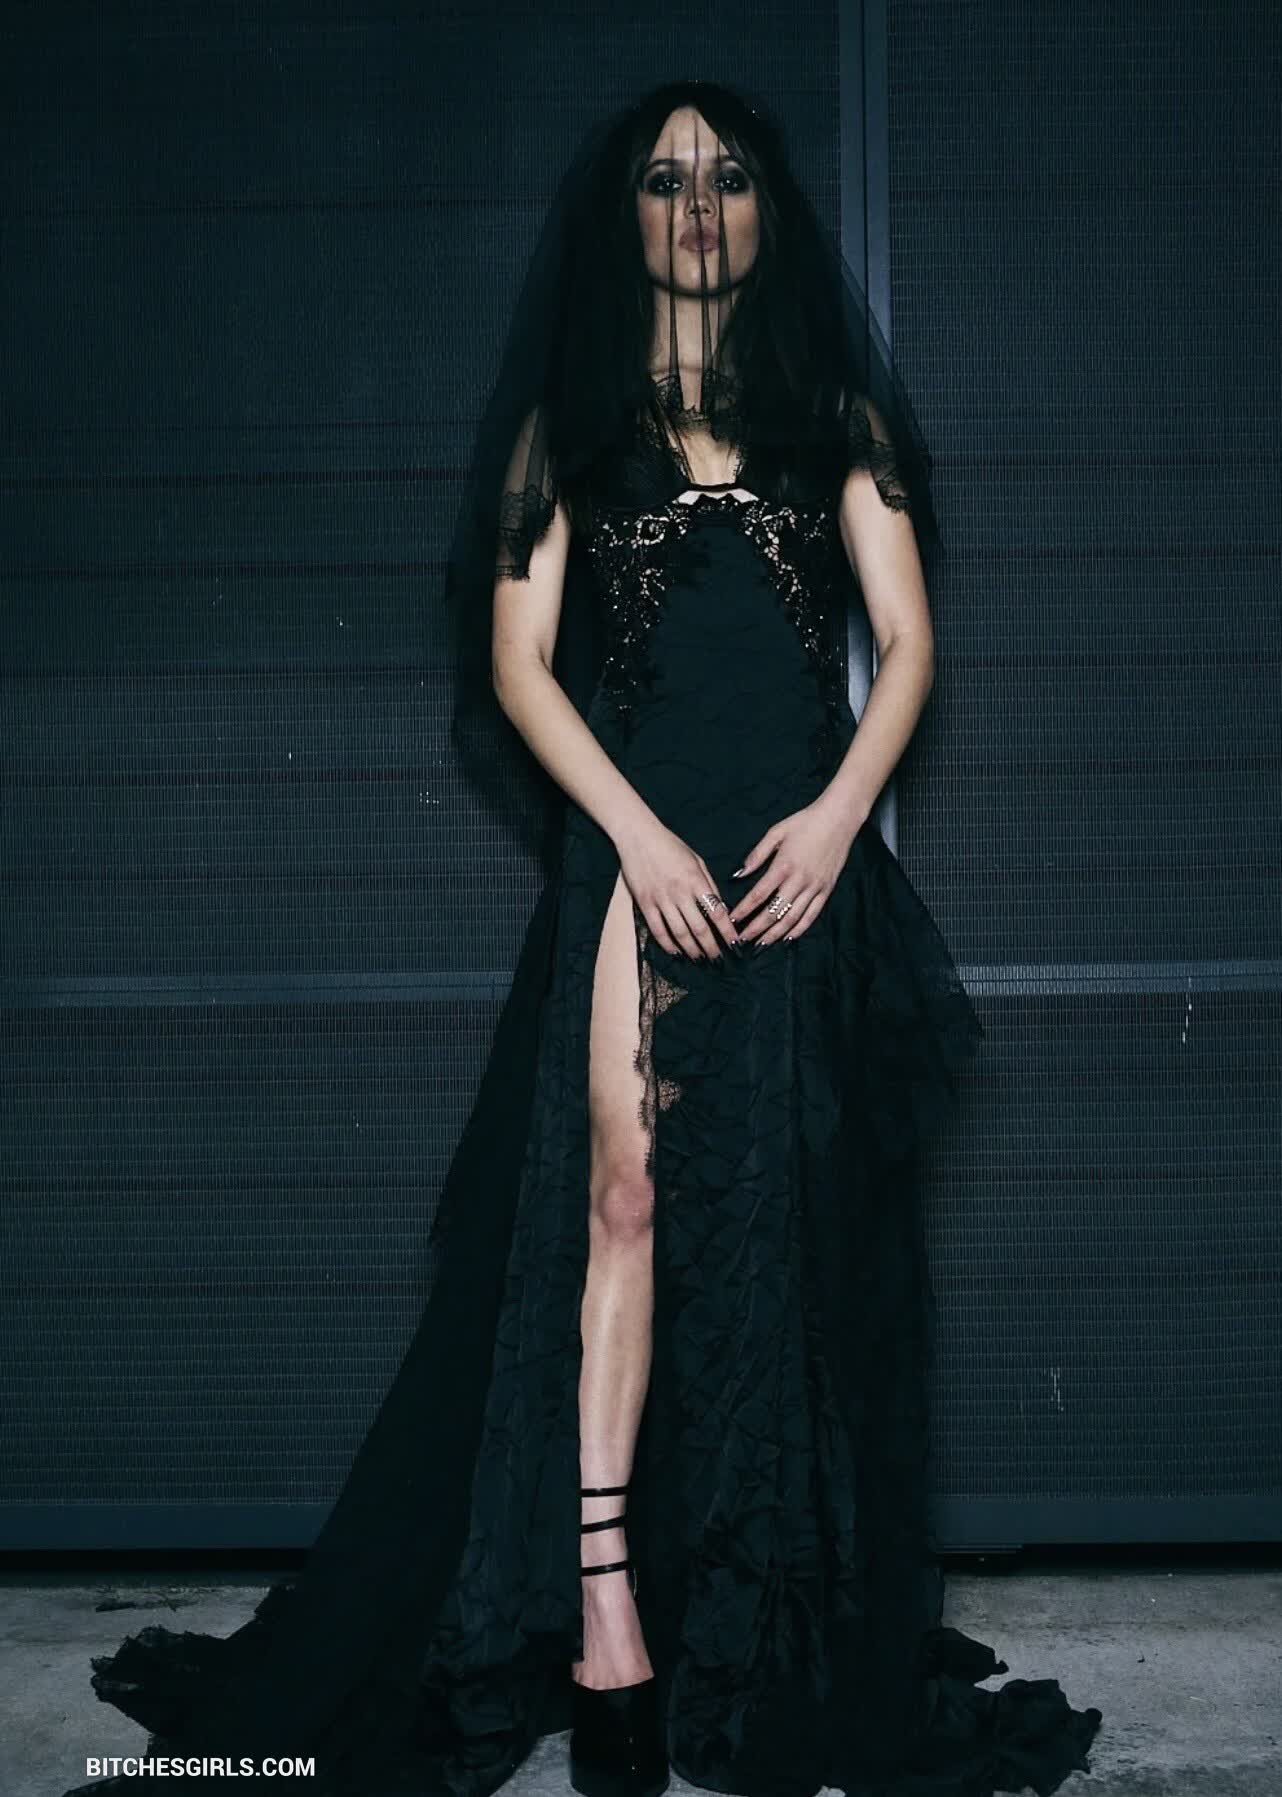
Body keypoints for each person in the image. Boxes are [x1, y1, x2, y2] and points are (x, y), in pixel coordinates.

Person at [64, 80, 1102, 1797]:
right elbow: (514, 664)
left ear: (763, 214)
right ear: (626, 217)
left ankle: (750, 1617)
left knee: (774, 1238)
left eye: (727, 178)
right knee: (621, 1200)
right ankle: (605, 1612)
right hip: (639, 857)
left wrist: (837, 820)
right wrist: (629, 836)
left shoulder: (832, 415)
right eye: (664, 179)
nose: (697, 206)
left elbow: (907, 642)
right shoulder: (571, 428)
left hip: (795, 867)